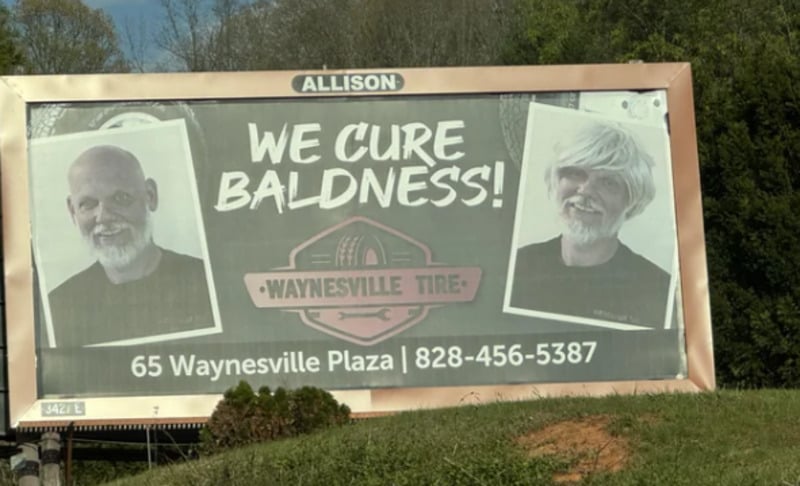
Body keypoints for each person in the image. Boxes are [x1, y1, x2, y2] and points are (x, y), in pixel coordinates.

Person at [47, 145, 215, 347]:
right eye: (88, 204)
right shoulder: (58, 307)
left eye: (121, 198)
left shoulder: (205, 282)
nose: (104, 217)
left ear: (150, 196)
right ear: (72, 210)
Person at [509, 121, 671, 328]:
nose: (586, 190)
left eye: (608, 182)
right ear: (554, 183)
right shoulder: (517, 267)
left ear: (631, 203)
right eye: (575, 173)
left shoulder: (658, 290)